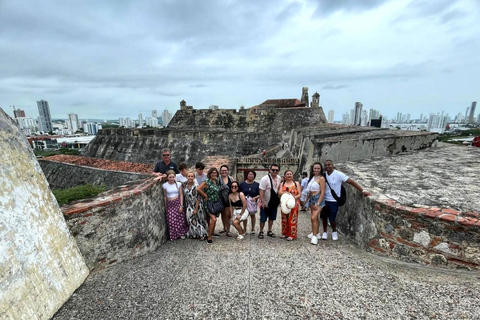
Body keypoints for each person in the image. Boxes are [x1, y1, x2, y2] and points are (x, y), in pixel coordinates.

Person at [322, 159, 372, 241]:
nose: (327, 166)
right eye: (326, 165)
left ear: (332, 165)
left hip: (334, 201)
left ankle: (334, 231)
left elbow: (351, 181)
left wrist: (362, 190)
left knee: (332, 218)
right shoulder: (324, 175)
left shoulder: (338, 174)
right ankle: (325, 232)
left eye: (329, 165)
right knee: (324, 217)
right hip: (325, 199)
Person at [197, 167, 222, 244]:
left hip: (216, 202)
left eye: (215, 173)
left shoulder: (217, 181)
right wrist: (205, 196)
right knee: (214, 219)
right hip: (209, 203)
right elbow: (198, 189)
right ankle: (209, 237)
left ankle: (212, 232)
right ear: (210, 174)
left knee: (211, 219)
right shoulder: (207, 181)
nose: (214, 174)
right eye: (212, 173)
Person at [162, 170, 188, 241]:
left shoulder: (178, 184)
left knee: (180, 219)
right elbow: (164, 196)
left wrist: (181, 205)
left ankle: (181, 233)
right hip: (170, 204)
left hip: (177, 203)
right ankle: (174, 235)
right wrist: (165, 206)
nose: (171, 178)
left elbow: (181, 195)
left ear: (175, 177)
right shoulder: (164, 185)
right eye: (170, 177)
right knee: (171, 221)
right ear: (167, 178)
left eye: (173, 177)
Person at [258, 164, 282, 239]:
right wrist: (262, 202)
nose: (275, 171)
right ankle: (261, 231)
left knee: (272, 218)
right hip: (266, 201)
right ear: (270, 170)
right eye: (273, 170)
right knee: (263, 218)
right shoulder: (265, 179)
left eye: (276, 170)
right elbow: (261, 191)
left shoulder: (279, 178)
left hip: (274, 202)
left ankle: (269, 230)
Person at [182, 171, 207, 240]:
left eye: (192, 176)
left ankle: (203, 234)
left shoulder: (196, 186)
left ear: (194, 177)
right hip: (189, 205)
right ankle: (194, 234)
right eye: (189, 176)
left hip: (197, 205)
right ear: (186, 177)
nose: (190, 178)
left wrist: (196, 208)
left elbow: (199, 198)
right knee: (190, 220)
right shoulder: (184, 185)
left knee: (200, 220)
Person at [304, 163, 326, 245]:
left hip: (318, 198)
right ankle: (316, 233)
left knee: (314, 218)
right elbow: (309, 191)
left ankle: (314, 236)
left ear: (321, 169)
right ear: (312, 169)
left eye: (318, 168)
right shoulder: (312, 178)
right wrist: (306, 201)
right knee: (314, 218)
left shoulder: (321, 178)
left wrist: (318, 203)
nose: (316, 170)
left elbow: (323, 191)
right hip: (312, 199)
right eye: (315, 168)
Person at [278, 169, 301, 241]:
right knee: (284, 218)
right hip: (285, 203)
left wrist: (294, 197)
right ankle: (285, 233)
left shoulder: (296, 183)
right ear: (285, 176)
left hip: (294, 203)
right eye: (287, 174)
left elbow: (300, 194)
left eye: (290, 174)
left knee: (292, 219)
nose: (289, 175)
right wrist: (286, 194)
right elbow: (279, 192)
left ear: (292, 175)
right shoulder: (282, 183)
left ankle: (292, 234)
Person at [239, 170, 260, 234]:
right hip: (244, 202)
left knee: (252, 215)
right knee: (245, 215)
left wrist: (255, 198)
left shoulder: (257, 184)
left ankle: (253, 228)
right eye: (249, 174)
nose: (250, 176)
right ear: (247, 175)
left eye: (252, 174)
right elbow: (239, 192)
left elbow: (260, 194)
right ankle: (244, 228)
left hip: (252, 202)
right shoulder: (242, 184)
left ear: (254, 176)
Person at [219, 165, 234, 237]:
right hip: (220, 199)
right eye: (222, 170)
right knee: (222, 214)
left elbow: (235, 188)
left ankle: (228, 230)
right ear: (220, 171)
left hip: (228, 200)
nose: (224, 172)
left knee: (227, 215)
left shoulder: (231, 179)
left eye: (225, 170)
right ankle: (224, 227)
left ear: (228, 171)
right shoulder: (218, 179)